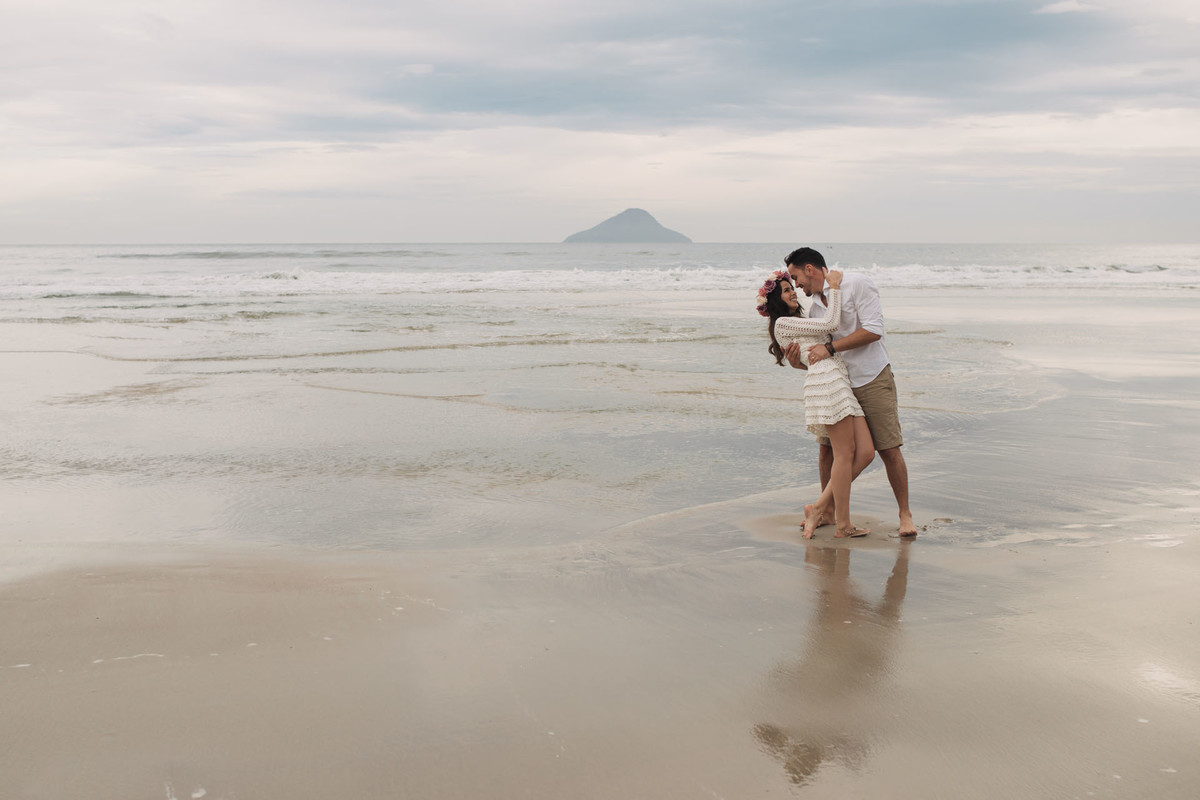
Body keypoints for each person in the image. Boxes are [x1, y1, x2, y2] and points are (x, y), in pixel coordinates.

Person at [783, 247, 917, 538]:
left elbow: (873, 330)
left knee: (888, 449)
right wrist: (799, 363)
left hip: (871, 375)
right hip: (838, 382)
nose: (797, 286)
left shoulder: (856, 283)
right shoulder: (813, 307)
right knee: (826, 449)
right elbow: (816, 353)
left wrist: (830, 348)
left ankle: (904, 514)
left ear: (810, 268)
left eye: (796, 277)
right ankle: (827, 512)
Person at [758, 269, 874, 538]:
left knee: (866, 452)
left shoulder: (801, 319)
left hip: (837, 379)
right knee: (844, 454)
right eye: (787, 290)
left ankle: (819, 506)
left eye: (792, 288)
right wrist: (834, 286)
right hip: (826, 383)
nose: (793, 292)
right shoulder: (783, 325)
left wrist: (800, 363)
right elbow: (831, 324)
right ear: (776, 300)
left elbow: (809, 355)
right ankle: (843, 525)